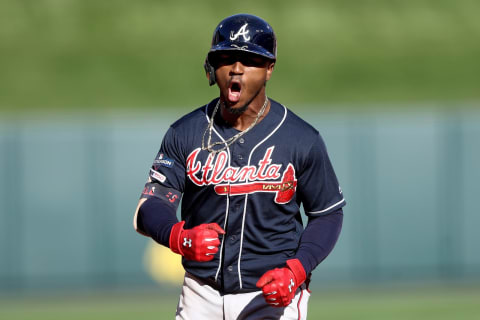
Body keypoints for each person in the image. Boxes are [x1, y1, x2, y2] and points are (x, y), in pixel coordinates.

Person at [133, 13, 345, 320]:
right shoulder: (185, 133)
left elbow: (327, 213)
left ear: (269, 68)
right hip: (200, 292)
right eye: (226, 58)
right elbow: (149, 206)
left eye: (249, 60)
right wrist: (178, 236)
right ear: (212, 66)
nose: (236, 69)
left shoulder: (301, 139)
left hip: (271, 294)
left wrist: (297, 270)